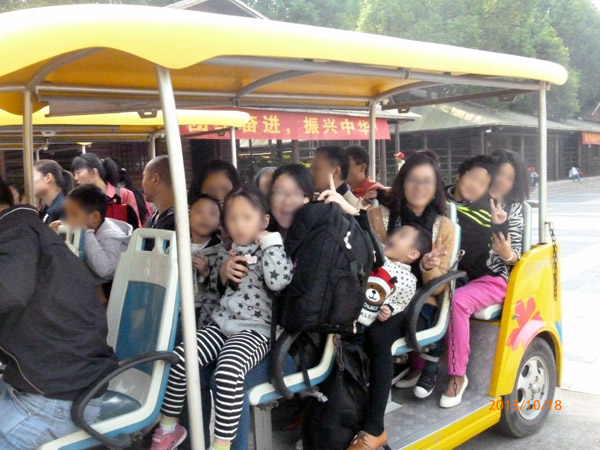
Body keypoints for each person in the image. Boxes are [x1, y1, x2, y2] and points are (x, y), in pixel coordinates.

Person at [151, 187, 292, 450]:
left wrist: (271, 242)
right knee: (180, 358)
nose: (239, 224)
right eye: (233, 218)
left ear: (264, 221)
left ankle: (221, 444)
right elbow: (216, 291)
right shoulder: (228, 251)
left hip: (255, 331)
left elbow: (279, 282)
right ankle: (169, 427)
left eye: (247, 217)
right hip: (222, 323)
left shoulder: (271, 249)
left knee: (227, 372)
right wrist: (221, 273)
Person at [0, 176, 117, 449]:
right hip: (50, 382)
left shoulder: (15, 235)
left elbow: (9, 293)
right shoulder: (24, 229)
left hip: (58, 399)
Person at [441, 155, 515, 408]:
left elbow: (497, 244)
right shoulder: (440, 200)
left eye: (482, 183)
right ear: (460, 175)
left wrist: (499, 225)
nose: (474, 185)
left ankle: (457, 375)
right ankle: (419, 365)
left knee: (456, 301)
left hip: (486, 277)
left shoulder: (488, 212)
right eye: (472, 178)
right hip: (453, 274)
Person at [59, 184, 132, 294]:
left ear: (94, 217)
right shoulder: (91, 228)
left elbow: (104, 269)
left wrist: (86, 233)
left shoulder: (111, 237)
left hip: (109, 296)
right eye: (67, 214)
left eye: (74, 215)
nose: (68, 220)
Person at [72, 153, 142, 227]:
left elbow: (136, 227)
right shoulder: (81, 200)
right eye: (74, 174)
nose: (75, 178)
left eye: (78, 173)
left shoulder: (125, 195)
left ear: (94, 171)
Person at [189, 193, 222, 325]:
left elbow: (220, 289)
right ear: (188, 215)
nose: (205, 217)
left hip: (199, 310)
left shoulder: (220, 252)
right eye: (199, 212)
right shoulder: (175, 246)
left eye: (212, 213)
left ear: (219, 221)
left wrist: (206, 274)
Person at [268, 163, 314, 237]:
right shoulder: (256, 237)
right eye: (280, 192)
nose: (287, 202)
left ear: (311, 199)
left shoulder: (322, 238)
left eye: (297, 193)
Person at [34, 159, 74, 224]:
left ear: (48, 178)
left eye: (32, 176)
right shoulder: (48, 209)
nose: (28, 182)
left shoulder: (63, 209)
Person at [142, 155, 175, 231]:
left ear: (155, 179)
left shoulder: (180, 222)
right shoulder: (155, 218)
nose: (142, 182)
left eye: (143, 176)